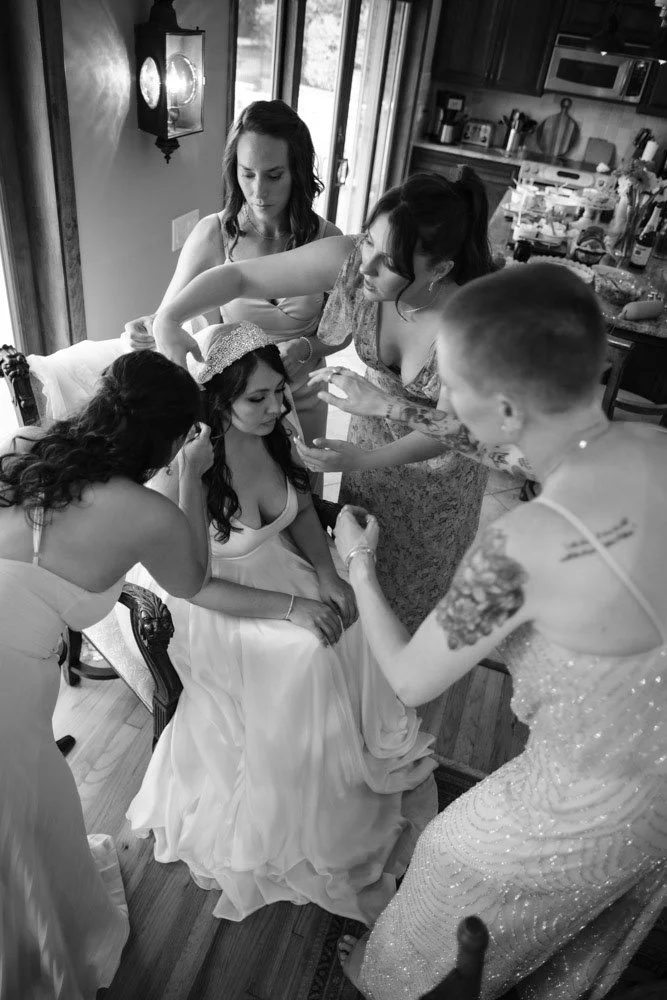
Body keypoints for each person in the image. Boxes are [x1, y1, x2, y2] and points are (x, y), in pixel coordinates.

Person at [328, 264, 667, 1000]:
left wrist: (358, 565)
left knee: (449, 865)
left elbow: (412, 678)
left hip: (572, 809)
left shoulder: (516, 551)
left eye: (452, 385)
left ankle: (386, 979)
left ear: (507, 407)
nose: (443, 400)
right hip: (654, 787)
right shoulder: (652, 447)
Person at [124, 322, 438, 924]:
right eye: (256, 398)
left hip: (282, 573)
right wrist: (297, 608)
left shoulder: (273, 436)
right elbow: (193, 584)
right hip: (224, 604)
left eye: (278, 392)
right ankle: (304, 815)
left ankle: (342, 778)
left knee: (351, 616)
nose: (274, 407)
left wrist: (326, 575)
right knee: (310, 652)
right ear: (218, 400)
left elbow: (297, 515)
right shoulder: (180, 470)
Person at [147, 169, 532, 634]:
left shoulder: (470, 326)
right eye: (368, 241)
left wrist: (375, 431)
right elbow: (238, 275)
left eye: (387, 262)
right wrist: (169, 317)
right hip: (368, 445)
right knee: (359, 568)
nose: (364, 266)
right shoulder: (356, 261)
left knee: (407, 601)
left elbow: (455, 433)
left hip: (435, 480)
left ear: (439, 270)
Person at [0, 351, 213, 1000]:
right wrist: (193, 479)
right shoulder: (149, 514)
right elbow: (192, 581)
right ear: (174, 440)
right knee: (19, 818)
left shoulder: (34, 443)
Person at [124, 99, 342, 464]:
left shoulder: (328, 239)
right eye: (247, 174)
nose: (259, 192)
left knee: (305, 487)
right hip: (242, 398)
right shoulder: (214, 235)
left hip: (304, 388)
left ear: (298, 172)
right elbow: (169, 314)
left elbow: (343, 332)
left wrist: (304, 349)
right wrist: (146, 327)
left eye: (274, 175)